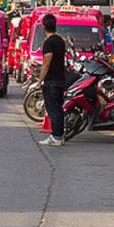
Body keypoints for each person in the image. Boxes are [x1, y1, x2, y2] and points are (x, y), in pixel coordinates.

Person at [38, 13, 67, 146]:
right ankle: (59, 135)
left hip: (51, 81)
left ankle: (56, 136)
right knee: (58, 109)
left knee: (53, 109)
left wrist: (40, 80)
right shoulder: (60, 40)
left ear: (43, 26)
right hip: (61, 78)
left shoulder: (48, 42)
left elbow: (46, 62)